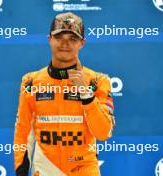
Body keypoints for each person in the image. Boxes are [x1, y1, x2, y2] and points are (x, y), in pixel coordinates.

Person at [14, 12, 115, 176]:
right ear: (49, 39)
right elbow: (23, 132)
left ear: (82, 43)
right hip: (45, 170)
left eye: (73, 39)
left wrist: (86, 94)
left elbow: (103, 133)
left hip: (84, 170)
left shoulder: (97, 81)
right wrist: (21, 169)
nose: (65, 44)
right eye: (59, 37)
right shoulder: (30, 82)